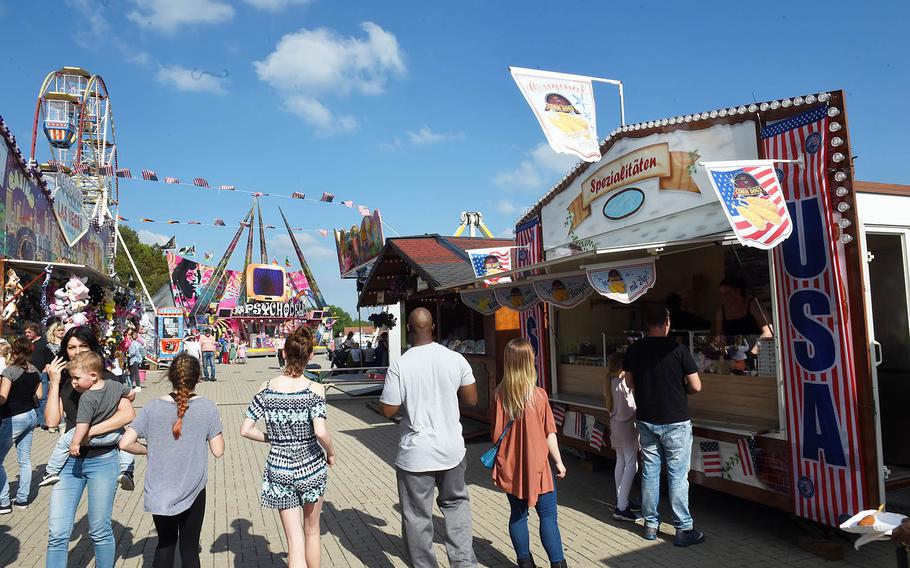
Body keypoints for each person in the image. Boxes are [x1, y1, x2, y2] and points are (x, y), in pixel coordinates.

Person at [378, 307, 479, 568]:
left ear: (409, 330)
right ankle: (464, 563)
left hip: (416, 455)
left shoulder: (400, 364)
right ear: (433, 328)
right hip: (451, 450)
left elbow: (388, 408)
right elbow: (471, 399)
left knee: (417, 517)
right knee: (456, 506)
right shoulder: (456, 359)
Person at [241, 327, 335, 568]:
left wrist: (273, 437)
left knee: (294, 542)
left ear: (283, 353)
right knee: (312, 531)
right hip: (311, 466)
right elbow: (320, 431)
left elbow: (245, 429)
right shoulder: (315, 389)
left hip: (279, 467)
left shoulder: (266, 388)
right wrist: (331, 453)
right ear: (310, 356)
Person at [43, 326, 137, 567]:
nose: (76, 352)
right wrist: (53, 383)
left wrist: (89, 432)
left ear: (92, 348)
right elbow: (52, 421)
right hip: (69, 465)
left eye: (82, 347)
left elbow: (127, 415)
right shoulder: (66, 381)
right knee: (57, 533)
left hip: (103, 461)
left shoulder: (109, 379)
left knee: (99, 530)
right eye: (71, 347)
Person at [120, 354, 224, 568]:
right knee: (189, 549)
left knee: (165, 544)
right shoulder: (207, 408)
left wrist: (148, 450)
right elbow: (218, 450)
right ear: (198, 378)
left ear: (170, 376)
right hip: (193, 490)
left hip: (160, 492)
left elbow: (125, 443)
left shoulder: (151, 407)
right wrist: (215, 426)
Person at [623, 305, 704, 546]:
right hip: (676, 420)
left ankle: (650, 524)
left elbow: (628, 382)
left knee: (650, 472)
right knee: (678, 476)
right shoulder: (679, 349)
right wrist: (681, 388)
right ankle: (683, 529)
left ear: (648, 324)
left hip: (647, 418)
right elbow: (697, 386)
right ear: (667, 322)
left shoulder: (634, 349)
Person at [491, 339, 567, 568]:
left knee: (518, 515)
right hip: (539, 468)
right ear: (527, 362)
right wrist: (559, 462)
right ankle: (558, 564)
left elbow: (495, 436)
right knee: (548, 517)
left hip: (511, 467)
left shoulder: (499, 395)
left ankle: (525, 562)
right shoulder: (539, 395)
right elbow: (549, 433)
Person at [39, 352, 135, 488]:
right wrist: (121, 399)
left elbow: (83, 424)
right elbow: (131, 394)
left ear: (94, 376)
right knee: (126, 440)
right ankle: (127, 471)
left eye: (76, 378)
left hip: (90, 439)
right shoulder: (114, 385)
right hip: (113, 435)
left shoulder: (87, 397)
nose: (73, 382)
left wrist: (75, 443)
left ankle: (51, 471)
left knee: (64, 441)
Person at [0, 339, 42, 513]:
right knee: (24, 460)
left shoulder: (9, 371)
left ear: (14, 352)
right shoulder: (35, 370)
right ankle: (22, 499)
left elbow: (2, 398)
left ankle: (3, 502)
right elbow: (39, 395)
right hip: (31, 416)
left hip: (13, 418)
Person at [604, 352, 640, 522]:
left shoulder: (610, 382)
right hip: (626, 426)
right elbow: (630, 408)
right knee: (632, 465)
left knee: (621, 461)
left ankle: (621, 499)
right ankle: (622, 506)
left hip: (615, 426)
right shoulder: (623, 384)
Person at [714, 277, 773, 354]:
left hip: (756, 353)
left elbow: (768, 333)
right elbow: (719, 336)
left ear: (738, 291)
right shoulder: (721, 311)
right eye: (722, 294)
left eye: (727, 294)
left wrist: (752, 355)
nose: (724, 297)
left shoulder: (753, 305)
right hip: (733, 356)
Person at [25, 322, 54, 431]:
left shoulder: (44, 342)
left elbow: (50, 357)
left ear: (35, 331)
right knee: (33, 397)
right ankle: (37, 420)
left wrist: (47, 366)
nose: (27, 334)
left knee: (42, 397)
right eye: (26, 332)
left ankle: (44, 421)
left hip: (41, 373)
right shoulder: (27, 343)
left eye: (29, 332)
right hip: (29, 373)